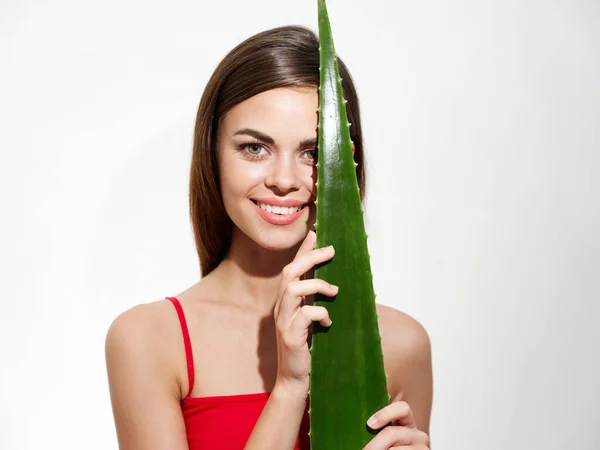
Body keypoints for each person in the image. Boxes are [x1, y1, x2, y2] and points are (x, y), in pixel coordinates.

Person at [105, 25, 433, 450]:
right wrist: (290, 387)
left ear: (347, 165)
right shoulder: (148, 340)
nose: (283, 180)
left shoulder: (402, 344)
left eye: (312, 153)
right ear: (212, 154)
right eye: (254, 148)